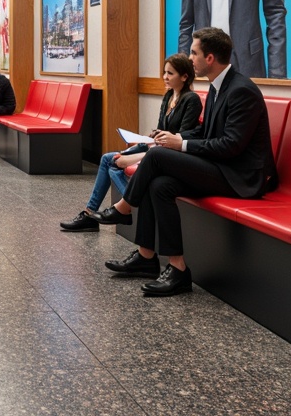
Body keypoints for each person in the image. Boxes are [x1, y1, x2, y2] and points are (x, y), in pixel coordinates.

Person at [100, 27, 278, 296]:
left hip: (240, 176)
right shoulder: (220, 87)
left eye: (194, 53)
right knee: (160, 185)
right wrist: (177, 136)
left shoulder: (242, 91)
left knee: (158, 156)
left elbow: (231, 145)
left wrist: (180, 144)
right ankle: (170, 266)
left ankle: (125, 208)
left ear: (209, 58)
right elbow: (207, 133)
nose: (190, 57)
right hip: (223, 167)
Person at [60, 54, 201, 231]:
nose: (165, 77)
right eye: (164, 72)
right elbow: (160, 128)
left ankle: (133, 206)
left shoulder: (191, 99)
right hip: (155, 145)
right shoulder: (168, 96)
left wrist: (142, 150)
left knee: (114, 165)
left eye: (170, 73)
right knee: (107, 159)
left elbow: (178, 137)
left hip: (168, 152)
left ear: (184, 77)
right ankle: (91, 213)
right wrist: (147, 139)